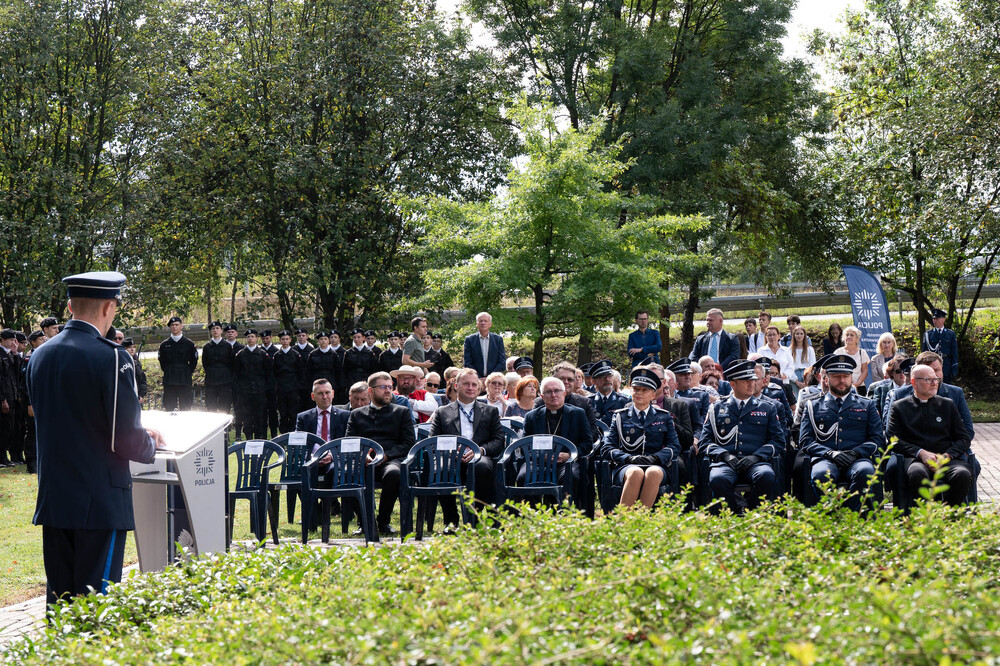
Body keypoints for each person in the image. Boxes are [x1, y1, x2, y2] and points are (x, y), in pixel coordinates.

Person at [28, 271, 165, 606]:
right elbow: (126, 439)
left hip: (56, 495)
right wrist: (151, 444)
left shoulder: (40, 355)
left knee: (60, 601)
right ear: (108, 307)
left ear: (71, 305)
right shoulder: (112, 357)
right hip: (99, 498)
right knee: (95, 604)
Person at [799, 355, 884, 511]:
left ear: (852, 378)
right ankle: (832, 514)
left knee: (866, 471)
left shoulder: (867, 405)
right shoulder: (812, 406)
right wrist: (831, 454)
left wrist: (855, 453)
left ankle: (848, 515)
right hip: (825, 459)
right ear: (827, 379)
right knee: (821, 475)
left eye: (846, 376)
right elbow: (805, 441)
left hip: (857, 459)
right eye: (836, 377)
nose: (842, 381)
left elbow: (877, 439)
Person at [702, 359, 785, 514]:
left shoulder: (767, 408)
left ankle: (749, 510)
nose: (751, 384)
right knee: (718, 478)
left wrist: (756, 457)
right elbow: (705, 441)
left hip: (755, 462)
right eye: (746, 381)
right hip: (726, 463)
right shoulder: (717, 408)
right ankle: (738, 509)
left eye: (753, 380)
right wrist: (725, 456)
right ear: (733, 384)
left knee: (766, 476)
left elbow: (778, 441)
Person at [428, 367, 505, 527]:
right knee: (441, 469)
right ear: (456, 385)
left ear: (479, 387)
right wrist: (452, 452)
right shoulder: (442, 412)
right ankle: (451, 521)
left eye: (474, 384)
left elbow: (498, 440)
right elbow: (434, 441)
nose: (470, 388)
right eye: (466, 384)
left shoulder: (490, 411)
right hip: (451, 457)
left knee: (482, 467)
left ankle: (474, 518)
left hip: (480, 457)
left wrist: (480, 451)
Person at [886, 363, 972, 506]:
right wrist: (920, 453)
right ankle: (925, 517)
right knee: (917, 474)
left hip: (946, 459)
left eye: (936, 379)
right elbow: (893, 440)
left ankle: (948, 513)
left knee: (962, 474)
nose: (934, 383)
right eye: (928, 380)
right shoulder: (900, 407)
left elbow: (963, 438)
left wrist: (947, 456)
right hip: (916, 460)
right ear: (914, 382)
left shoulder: (947, 405)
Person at [344, 372, 417, 536]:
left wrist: (386, 456)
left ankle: (383, 521)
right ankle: (365, 522)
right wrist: (363, 455)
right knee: (347, 472)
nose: (388, 391)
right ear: (371, 391)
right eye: (383, 387)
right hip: (364, 461)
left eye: (390, 387)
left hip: (391, 459)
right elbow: (350, 441)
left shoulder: (402, 412)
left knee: (394, 474)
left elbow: (408, 443)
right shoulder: (356, 414)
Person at [602, 367, 681, 508]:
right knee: (635, 472)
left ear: (653, 395)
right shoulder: (620, 416)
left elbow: (674, 446)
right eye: (636, 389)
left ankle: (641, 522)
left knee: (653, 473)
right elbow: (607, 448)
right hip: (627, 464)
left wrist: (655, 458)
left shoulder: (663, 416)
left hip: (655, 463)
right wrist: (628, 458)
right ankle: (623, 521)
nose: (639, 393)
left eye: (644, 390)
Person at [523, 376, 593, 497]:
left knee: (571, 476)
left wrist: (570, 455)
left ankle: (565, 513)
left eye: (557, 391)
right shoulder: (531, 417)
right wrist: (540, 456)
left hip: (567, 463)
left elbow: (587, 442)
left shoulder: (578, 414)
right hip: (538, 463)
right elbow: (525, 445)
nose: (553, 395)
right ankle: (530, 514)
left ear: (564, 393)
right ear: (542, 396)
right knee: (523, 476)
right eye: (548, 392)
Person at [233, 329, 272, 440]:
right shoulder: (240, 355)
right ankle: (249, 437)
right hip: (245, 390)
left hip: (260, 390)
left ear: (256, 339)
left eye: (252, 336)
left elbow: (268, 373)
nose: (250, 339)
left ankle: (260, 437)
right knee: (247, 415)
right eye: (248, 337)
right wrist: (240, 388)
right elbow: (236, 373)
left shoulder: (263, 354)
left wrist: (265, 389)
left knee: (260, 415)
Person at [157, 316, 198, 411]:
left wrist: (186, 371)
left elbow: (193, 362)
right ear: (169, 327)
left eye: (177, 325)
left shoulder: (189, 344)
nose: (174, 327)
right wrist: (169, 370)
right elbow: (162, 362)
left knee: (186, 406)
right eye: (172, 325)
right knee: (170, 407)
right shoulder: (164, 345)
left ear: (181, 326)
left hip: (184, 378)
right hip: (169, 378)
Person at [201, 320, 236, 414]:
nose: (215, 330)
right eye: (213, 329)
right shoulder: (207, 347)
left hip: (225, 380)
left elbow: (232, 363)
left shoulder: (227, 346)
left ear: (221, 331)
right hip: (211, 381)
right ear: (210, 332)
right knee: (211, 406)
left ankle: (226, 429)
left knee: (225, 406)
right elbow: (205, 364)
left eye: (217, 328)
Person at [272, 331, 303, 433]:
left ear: (290, 340)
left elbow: (300, 372)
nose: (285, 341)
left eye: (287, 339)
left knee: (293, 413)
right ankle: (283, 435)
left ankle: (293, 434)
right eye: (283, 339)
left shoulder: (296, 354)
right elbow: (274, 372)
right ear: (280, 340)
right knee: (283, 413)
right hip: (281, 388)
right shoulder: (277, 355)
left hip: (293, 388)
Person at [667, 359, 709, 427]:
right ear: (675, 377)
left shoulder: (702, 395)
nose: (687, 377)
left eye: (689, 373)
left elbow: (705, 418)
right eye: (683, 374)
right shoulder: (669, 396)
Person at [463, 312, 506, 378]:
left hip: (493, 379)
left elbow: (502, 362)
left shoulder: (498, 340)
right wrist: (479, 377)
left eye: (485, 321)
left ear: (490, 324)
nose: (483, 323)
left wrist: (490, 377)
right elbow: (467, 363)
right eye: (481, 321)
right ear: (477, 324)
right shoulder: (469, 340)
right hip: (476, 379)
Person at [922, 308, 959, 382]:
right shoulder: (928, 334)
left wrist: (954, 368)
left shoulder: (950, 334)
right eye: (934, 318)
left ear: (943, 319)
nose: (935, 320)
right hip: (932, 367)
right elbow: (924, 353)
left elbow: (954, 352)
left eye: (937, 318)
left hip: (946, 366)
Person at [306, 330, 343, 400]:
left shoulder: (334, 354)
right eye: (321, 339)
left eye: (325, 339)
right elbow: (309, 371)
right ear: (318, 341)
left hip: (331, 381)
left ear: (328, 340)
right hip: (316, 381)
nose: (323, 341)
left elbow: (338, 371)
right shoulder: (313, 354)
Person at [589, 360, 628, 425]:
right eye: (602, 377)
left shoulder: (624, 401)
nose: (607, 379)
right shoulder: (588, 402)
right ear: (594, 382)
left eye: (610, 376)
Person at [834, 326, 869, 394]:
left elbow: (865, 371)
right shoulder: (838, 352)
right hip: (842, 387)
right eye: (847, 335)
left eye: (852, 335)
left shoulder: (862, 352)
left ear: (857, 339)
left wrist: (857, 383)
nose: (849, 337)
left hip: (859, 387)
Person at [787, 326, 816, 396]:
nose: (799, 336)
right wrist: (796, 381)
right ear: (794, 335)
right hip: (794, 376)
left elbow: (812, 366)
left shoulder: (809, 349)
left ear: (804, 335)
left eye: (801, 334)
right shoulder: (789, 350)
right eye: (797, 334)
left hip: (806, 374)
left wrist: (807, 380)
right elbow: (789, 367)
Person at [293, 328, 315, 413]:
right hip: (296, 382)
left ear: (307, 336)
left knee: (309, 405)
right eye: (299, 336)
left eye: (303, 335)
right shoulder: (293, 350)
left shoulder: (312, 350)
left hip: (308, 382)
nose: (301, 337)